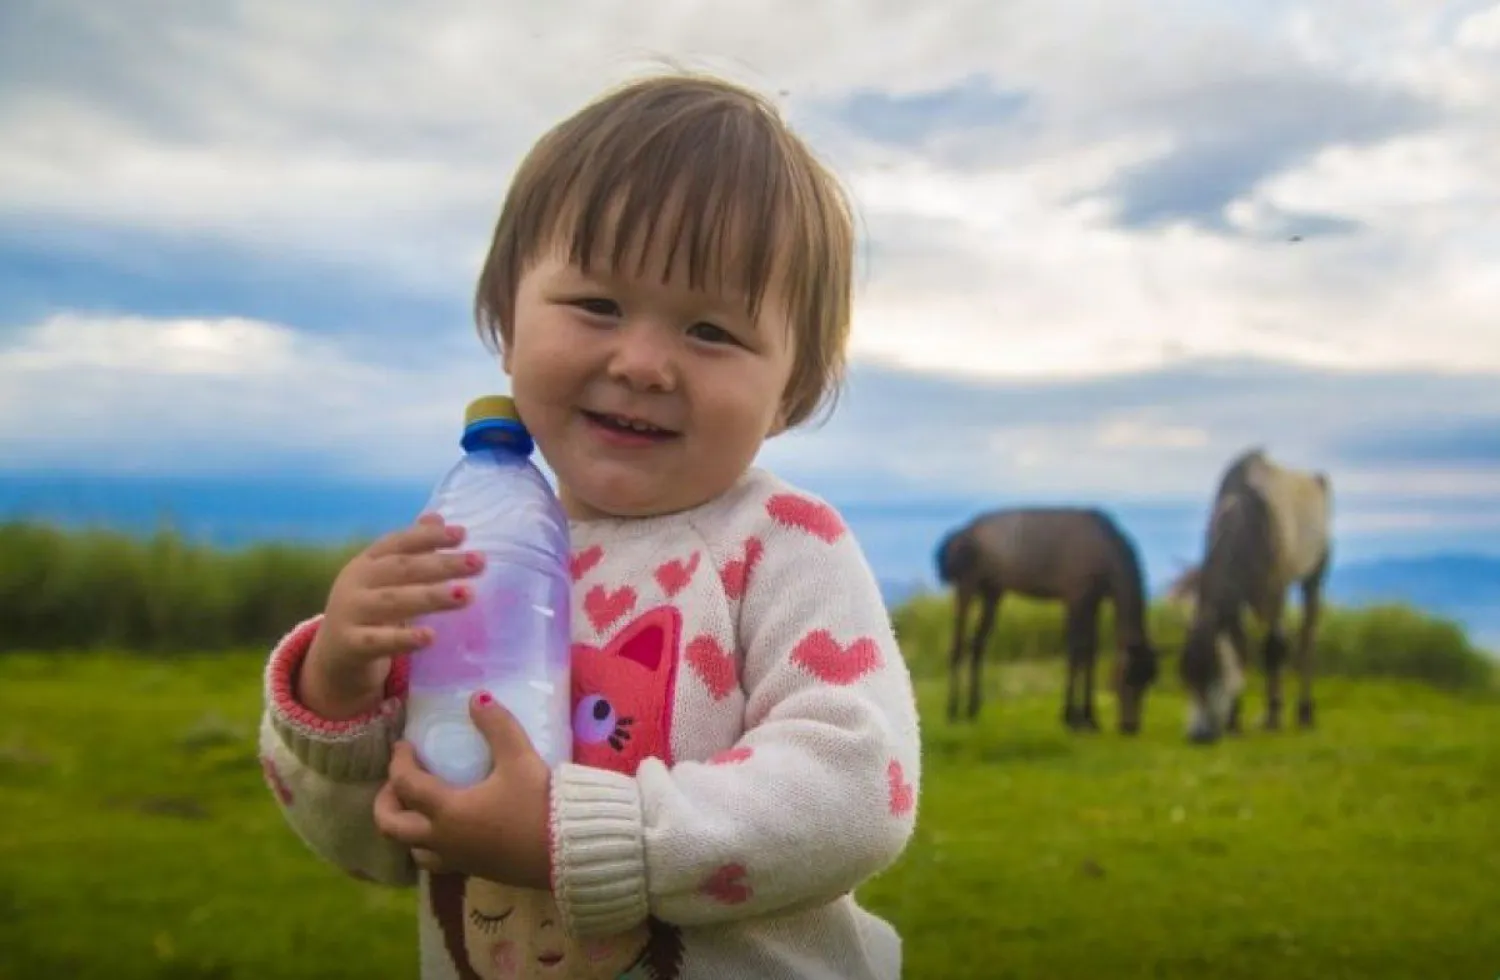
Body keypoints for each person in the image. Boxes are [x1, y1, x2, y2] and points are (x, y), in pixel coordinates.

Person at [257, 69, 922, 980]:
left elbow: (853, 787)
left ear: (790, 390)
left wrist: (570, 836)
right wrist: (337, 684)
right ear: (507, 321)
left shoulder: (782, 545)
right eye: (597, 306)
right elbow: (374, 846)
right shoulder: (470, 547)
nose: (644, 362)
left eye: (712, 332)